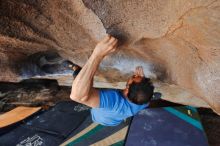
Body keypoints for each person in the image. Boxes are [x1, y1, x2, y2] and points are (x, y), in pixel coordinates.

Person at [70, 35, 154, 126]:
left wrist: (98, 55)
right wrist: (141, 79)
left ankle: (75, 69)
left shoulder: (114, 101)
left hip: (98, 116)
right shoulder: (143, 101)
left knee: (82, 82)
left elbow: (77, 96)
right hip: (113, 121)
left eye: (132, 77)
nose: (134, 75)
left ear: (126, 90)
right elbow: (141, 92)